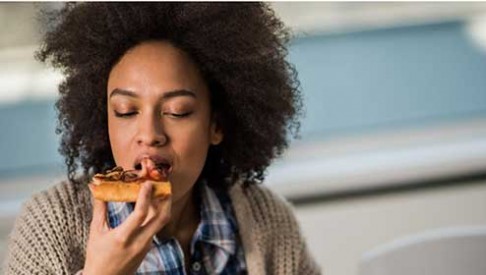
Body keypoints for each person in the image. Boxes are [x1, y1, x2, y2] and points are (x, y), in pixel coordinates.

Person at [3, 3, 320, 275]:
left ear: (216, 125)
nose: (150, 135)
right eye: (126, 111)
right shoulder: (51, 224)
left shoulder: (269, 220)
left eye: (178, 111)